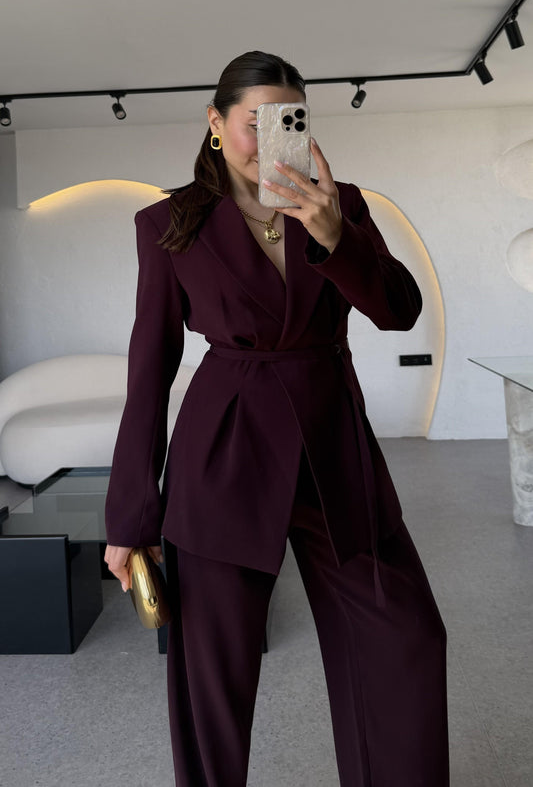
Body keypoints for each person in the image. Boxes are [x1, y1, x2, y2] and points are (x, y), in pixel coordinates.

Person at [104, 50, 449, 787]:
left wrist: (333, 234)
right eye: (252, 121)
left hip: (334, 449)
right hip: (224, 454)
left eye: (287, 119)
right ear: (215, 122)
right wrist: (130, 515)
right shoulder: (168, 223)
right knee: (211, 680)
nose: (269, 137)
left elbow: (398, 310)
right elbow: (150, 368)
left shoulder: (341, 204)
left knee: (406, 638)